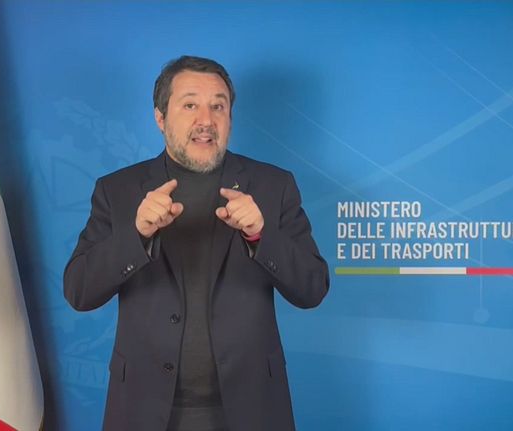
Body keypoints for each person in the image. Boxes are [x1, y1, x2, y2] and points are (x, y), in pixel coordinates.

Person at [64, 55, 329, 431]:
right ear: (160, 118)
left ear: (230, 117)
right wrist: (136, 234)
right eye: (190, 105)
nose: (206, 120)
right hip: (144, 411)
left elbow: (312, 289)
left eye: (218, 106)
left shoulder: (274, 186)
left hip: (252, 409)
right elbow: (79, 291)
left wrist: (261, 236)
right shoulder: (117, 190)